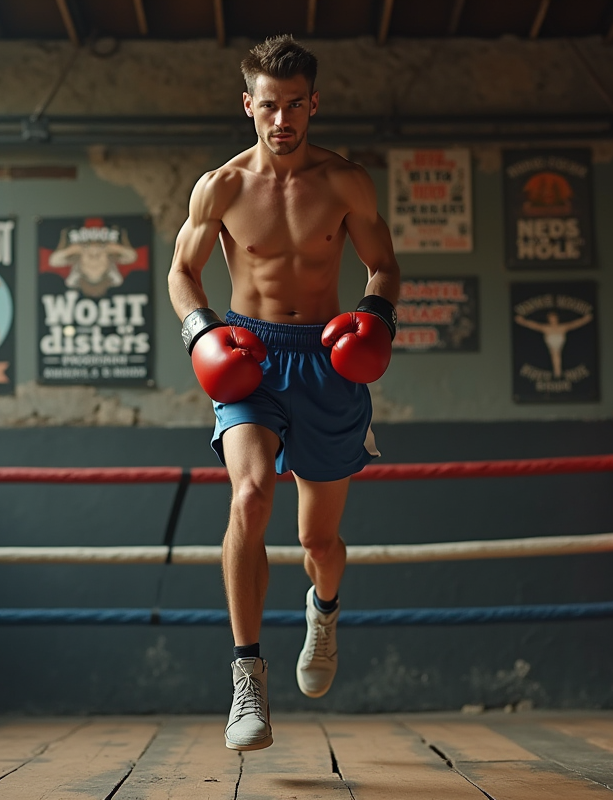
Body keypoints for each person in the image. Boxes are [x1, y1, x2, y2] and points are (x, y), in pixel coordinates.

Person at [167, 35, 400, 752]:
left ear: (313, 103)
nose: (282, 118)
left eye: (295, 104)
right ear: (249, 105)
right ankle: (247, 677)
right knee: (250, 496)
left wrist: (376, 317)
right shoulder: (223, 186)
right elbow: (183, 273)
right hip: (250, 358)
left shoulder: (346, 181)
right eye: (268, 104)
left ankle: (323, 610)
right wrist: (202, 334)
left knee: (316, 540)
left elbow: (383, 266)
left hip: (329, 360)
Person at [514, 310, 592, 378]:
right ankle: (557, 373)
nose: (553, 320)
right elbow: (533, 325)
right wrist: (522, 321)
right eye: (551, 319)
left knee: (556, 355)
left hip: (559, 341)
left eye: (554, 318)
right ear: (549, 320)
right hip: (551, 342)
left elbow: (575, 324)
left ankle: (558, 373)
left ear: (557, 318)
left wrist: (586, 319)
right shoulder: (546, 328)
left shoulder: (562, 327)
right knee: (555, 355)